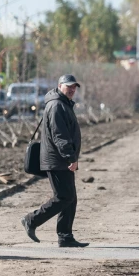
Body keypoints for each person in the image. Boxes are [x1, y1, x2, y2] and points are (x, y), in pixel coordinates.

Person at [21, 74, 88, 247]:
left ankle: (65, 236)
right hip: (57, 159)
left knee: (70, 198)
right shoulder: (57, 105)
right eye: (69, 86)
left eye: (74, 87)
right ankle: (32, 220)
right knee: (64, 196)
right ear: (60, 86)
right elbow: (60, 136)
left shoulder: (62, 103)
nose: (72, 90)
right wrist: (70, 157)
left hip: (60, 159)